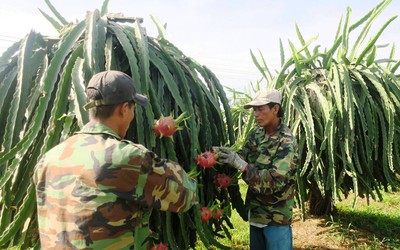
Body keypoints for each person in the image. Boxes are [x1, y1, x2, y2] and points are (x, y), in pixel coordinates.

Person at [32, 71, 197, 249]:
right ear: (124, 109)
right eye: (133, 109)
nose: (133, 116)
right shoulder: (128, 157)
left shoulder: (48, 159)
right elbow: (186, 195)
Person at [215, 89, 298, 250]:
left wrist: (241, 165)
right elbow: (243, 155)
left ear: (275, 109)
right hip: (256, 214)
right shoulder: (257, 134)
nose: (256, 114)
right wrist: (223, 156)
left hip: (276, 219)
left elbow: (275, 181)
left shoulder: (286, 142)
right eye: (255, 110)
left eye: (261, 109)